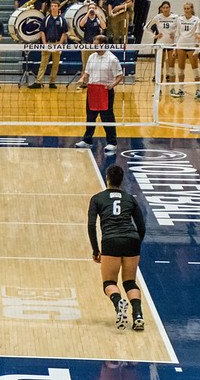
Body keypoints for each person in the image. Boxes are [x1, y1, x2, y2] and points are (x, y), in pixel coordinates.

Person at [87, 164, 146, 331]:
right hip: (131, 240)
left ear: (107, 179)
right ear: (121, 181)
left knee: (109, 282)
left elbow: (91, 225)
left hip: (111, 240)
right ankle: (138, 316)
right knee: (129, 282)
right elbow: (141, 226)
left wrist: (95, 249)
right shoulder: (130, 198)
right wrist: (136, 245)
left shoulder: (97, 198)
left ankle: (118, 303)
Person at [74, 36, 123, 152]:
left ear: (104, 44)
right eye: (93, 44)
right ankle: (87, 140)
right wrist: (83, 79)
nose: (94, 46)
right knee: (90, 116)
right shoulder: (91, 57)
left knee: (107, 117)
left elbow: (120, 76)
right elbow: (86, 73)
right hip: (92, 90)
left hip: (105, 90)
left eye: (96, 44)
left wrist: (112, 85)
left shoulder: (112, 59)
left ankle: (112, 142)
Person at [31, 1, 68, 89]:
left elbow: (64, 33)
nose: (53, 8)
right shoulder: (46, 19)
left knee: (55, 64)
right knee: (43, 63)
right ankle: (38, 82)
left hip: (57, 43)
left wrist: (60, 44)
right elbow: (42, 31)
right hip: (47, 43)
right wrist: (44, 44)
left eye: (55, 6)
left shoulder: (62, 20)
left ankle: (52, 82)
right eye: (52, 6)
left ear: (58, 7)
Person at [144, 1, 178, 87]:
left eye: (167, 7)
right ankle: (158, 88)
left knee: (171, 66)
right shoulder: (157, 17)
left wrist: (175, 33)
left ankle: (172, 88)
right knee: (160, 66)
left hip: (171, 44)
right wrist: (154, 36)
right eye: (164, 8)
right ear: (161, 9)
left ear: (170, 8)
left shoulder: (175, 17)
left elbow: (180, 29)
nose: (165, 9)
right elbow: (146, 27)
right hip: (160, 45)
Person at [173, 2, 200, 98]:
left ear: (192, 9)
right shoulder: (179, 19)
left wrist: (197, 48)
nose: (186, 10)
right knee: (180, 68)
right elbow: (177, 33)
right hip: (181, 45)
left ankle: (198, 90)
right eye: (185, 8)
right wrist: (174, 49)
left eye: (188, 8)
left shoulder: (196, 20)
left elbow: (197, 35)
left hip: (191, 45)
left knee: (195, 68)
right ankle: (180, 90)